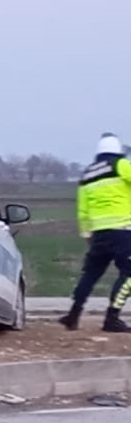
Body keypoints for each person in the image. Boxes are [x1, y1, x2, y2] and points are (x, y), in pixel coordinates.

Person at [61, 133, 131, 332]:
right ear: (117, 150)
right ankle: (112, 318)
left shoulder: (87, 174)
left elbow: (83, 210)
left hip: (99, 233)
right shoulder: (121, 164)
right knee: (129, 273)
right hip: (123, 230)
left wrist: (87, 234)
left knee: (90, 274)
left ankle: (73, 315)